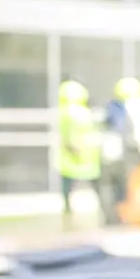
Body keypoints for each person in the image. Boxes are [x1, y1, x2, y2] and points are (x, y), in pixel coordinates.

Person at [99, 77, 140, 224]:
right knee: (130, 185)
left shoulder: (120, 106)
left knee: (125, 186)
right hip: (133, 152)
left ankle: (124, 216)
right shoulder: (139, 105)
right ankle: (130, 215)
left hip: (125, 153)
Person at [56, 78, 101, 225]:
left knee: (68, 189)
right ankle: (105, 212)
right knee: (94, 186)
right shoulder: (79, 113)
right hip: (84, 155)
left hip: (73, 157)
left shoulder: (64, 112)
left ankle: (67, 213)